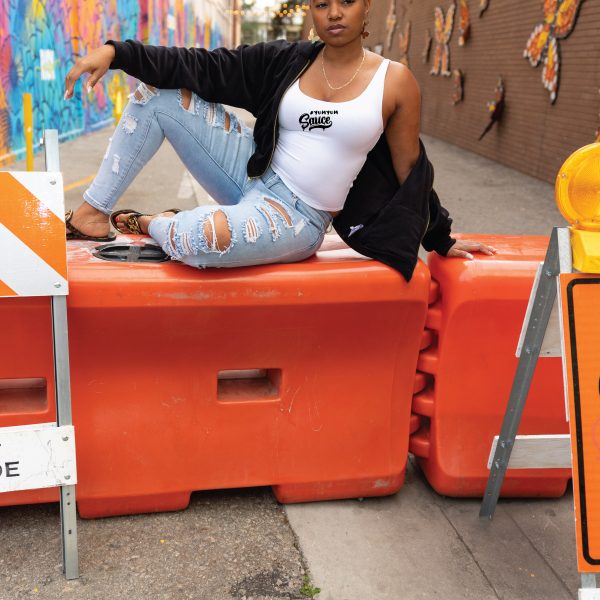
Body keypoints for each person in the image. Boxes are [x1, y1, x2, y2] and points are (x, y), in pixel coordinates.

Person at [63, 0, 495, 280]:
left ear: (367, 8)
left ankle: (150, 222)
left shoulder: (395, 81)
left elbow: (411, 168)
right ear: (311, 11)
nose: (335, 14)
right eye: (322, 4)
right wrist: (118, 53)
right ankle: (91, 214)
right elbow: (205, 66)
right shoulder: (288, 60)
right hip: (251, 175)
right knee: (159, 96)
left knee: (201, 241)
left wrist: (441, 236)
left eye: (346, 2)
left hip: (297, 218)